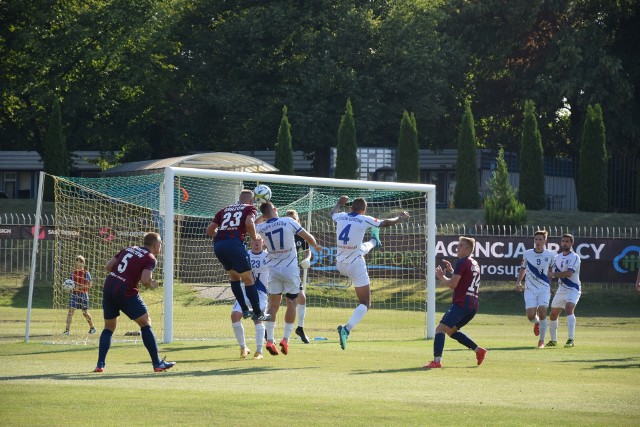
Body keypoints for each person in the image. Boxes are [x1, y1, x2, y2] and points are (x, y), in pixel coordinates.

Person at [330, 195, 409, 350]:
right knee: (366, 303)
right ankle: (346, 329)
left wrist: (339, 203)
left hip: (339, 263)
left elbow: (331, 214)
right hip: (355, 265)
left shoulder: (340, 216)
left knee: (362, 247)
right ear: (363, 210)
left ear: (351, 208)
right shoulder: (364, 219)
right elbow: (385, 223)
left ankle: (374, 241)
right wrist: (399, 218)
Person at [94, 232, 175, 373]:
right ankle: (157, 364)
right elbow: (145, 280)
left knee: (109, 327)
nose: (161, 246)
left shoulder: (128, 249)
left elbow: (108, 266)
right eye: (160, 243)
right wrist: (152, 285)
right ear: (156, 245)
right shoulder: (150, 258)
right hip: (125, 290)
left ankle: (100, 365)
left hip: (109, 286)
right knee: (145, 322)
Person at [255, 202, 321, 356]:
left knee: (273, 306)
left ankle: (270, 340)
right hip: (290, 270)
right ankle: (285, 339)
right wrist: (316, 246)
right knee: (292, 303)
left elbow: (251, 224)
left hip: (273, 271)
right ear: (276, 210)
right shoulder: (288, 221)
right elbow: (307, 236)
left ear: (264, 215)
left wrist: (262, 216)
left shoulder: (261, 227)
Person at [206, 189, 270, 322]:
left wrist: (221, 238)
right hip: (234, 244)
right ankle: (258, 312)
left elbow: (210, 230)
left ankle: (245, 310)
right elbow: (248, 223)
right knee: (249, 279)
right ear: (251, 201)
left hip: (218, 246)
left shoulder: (224, 209)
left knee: (234, 276)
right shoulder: (250, 208)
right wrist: (254, 236)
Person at [424, 236, 487, 369]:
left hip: (462, 303)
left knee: (440, 329)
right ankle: (478, 350)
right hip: (473, 306)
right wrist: (453, 271)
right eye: (458, 245)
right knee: (451, 331)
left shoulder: (463, 262)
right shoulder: (473, 263)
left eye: (461, 246)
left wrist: (441, 276)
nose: (457, 248)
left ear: (468, 249)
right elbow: (465, 280)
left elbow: (453, 284)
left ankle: (437, 361)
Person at [515, 229, 555, 348]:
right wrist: (518, 282)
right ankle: (537, 323)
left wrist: (549, 286)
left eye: (540, 239)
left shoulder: (550, 255)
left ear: (545, 241)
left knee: (543, 312)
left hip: (544, 288)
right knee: (531, 316)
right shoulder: (527, 253)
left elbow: (550, 271)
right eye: (536, 239)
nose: (537, 241)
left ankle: (541, 341)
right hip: (530, 289)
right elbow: (523, 269)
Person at [231, 237, 269, 360]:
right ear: (250, 242)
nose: (256, 243)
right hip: (245, 292)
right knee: (235, 315)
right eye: (254, 240)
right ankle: (243, 347)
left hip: (261, 294)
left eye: (259, 240)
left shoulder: (268, 257)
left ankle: (259, 351)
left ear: (263, 242)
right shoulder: (245, 255)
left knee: (257, 318)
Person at [547, 234, 581, 348]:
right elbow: (550, 273)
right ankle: (553, 340)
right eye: (563, 241)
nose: (564, 243)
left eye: (567, 241)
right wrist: (548, 285)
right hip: (561, 289)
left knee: (568, 309)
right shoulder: (557, 257)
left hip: (573, 288)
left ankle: (571, 340)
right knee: (553, 314)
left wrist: (554, 274)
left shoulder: (575, 257)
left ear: (572, 243)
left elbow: (569, 273)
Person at [285, 209, 313, 344]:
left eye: (294, 219)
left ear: (298, 220)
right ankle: (267, 331)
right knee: (274, 301)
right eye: (289, 218)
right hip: (278, 269)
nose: (292, 221)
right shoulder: (282, 233)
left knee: (301, 298)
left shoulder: (301, 235)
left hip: (293, 271)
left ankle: (300, 328)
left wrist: (307, 259)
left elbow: (308, 251)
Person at [63, 255, 97, 335]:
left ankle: (92, 328)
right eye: (77, 261)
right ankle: (67, 330)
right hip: (74, 295)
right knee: (70, 312)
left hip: (83, 295)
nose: (79, 263)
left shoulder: (86, 273)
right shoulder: (72, 273)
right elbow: (70, 284)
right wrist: (69, 287)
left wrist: (80, 287)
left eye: (81, 262)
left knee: (85, 312)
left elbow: (90, 285)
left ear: (83, 263)